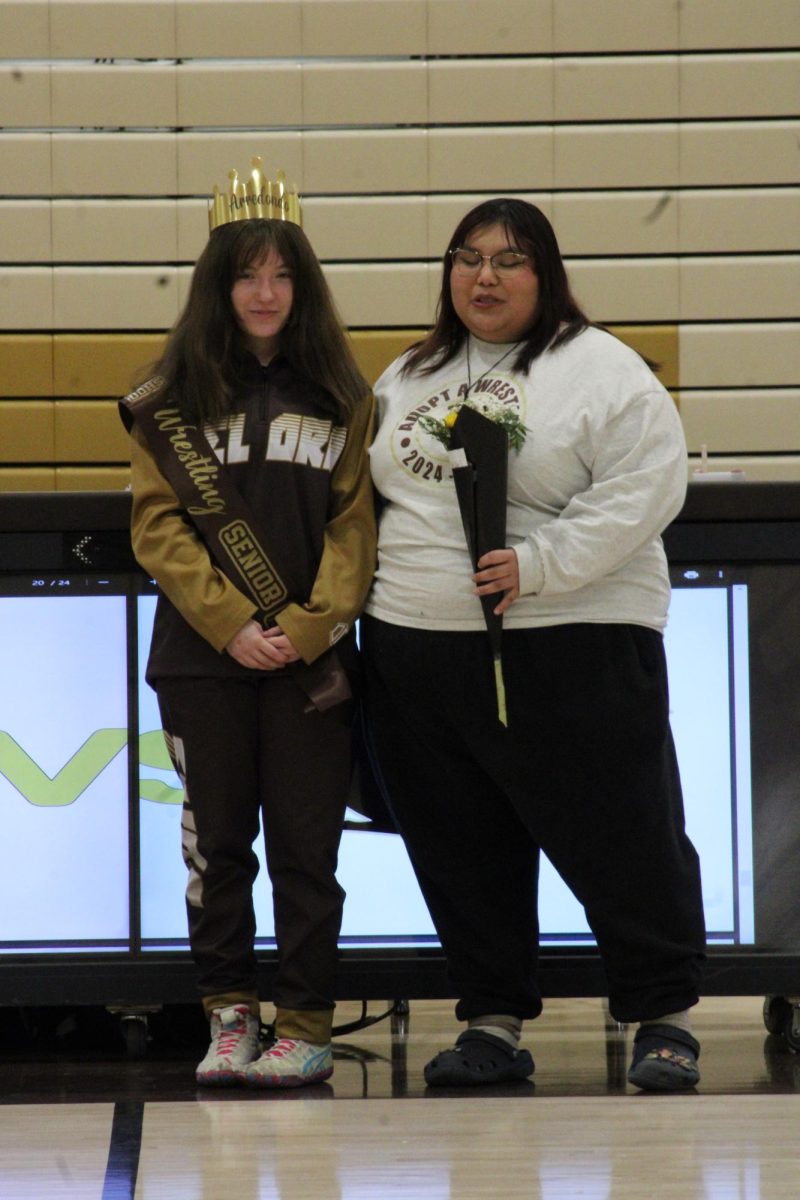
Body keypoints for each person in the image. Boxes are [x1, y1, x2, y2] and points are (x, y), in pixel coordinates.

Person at [362, 197, 707, 1092]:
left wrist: (541, 564)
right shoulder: (408, 374)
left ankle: (662, 1016)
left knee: (624, 836)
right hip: (418, 649)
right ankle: (490, 1022)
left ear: (545, 274)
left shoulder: (602, 371)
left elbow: (648, 487)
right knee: (460, 845)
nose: (485, 276)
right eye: (468, 258)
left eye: (510, 260)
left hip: (572, 640)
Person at [121, 165, 376, 1089]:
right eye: (246, 276)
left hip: (311, 669)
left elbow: (354, 529)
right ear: (217, 286)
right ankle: (229, 1017)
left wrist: (309, 629)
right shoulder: (168, 399)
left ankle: (304, 1024)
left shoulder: (344, 395)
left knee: (309, 854)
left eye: (282, 277)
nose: (265, 294)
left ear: (302, 287)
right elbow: (156, 527)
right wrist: (232, 625)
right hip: (201, 663)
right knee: (217, 848)